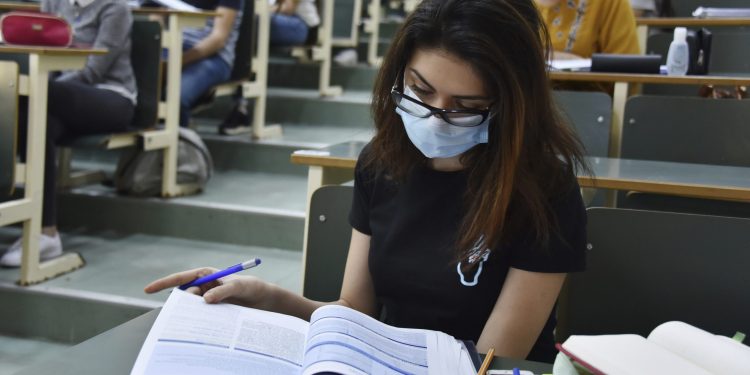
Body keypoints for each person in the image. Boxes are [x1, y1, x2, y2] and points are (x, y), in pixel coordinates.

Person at [146, 0, 589, 363]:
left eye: (464, 105)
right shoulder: (382, 163)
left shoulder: (543, 189)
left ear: (509, 106)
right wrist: (264, 297)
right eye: (420, 89)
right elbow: (354, 313)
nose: (436, 115)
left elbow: (491, 361)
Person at [0, 0, 137, 267]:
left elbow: (93, 71)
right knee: (38, 123)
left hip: (112, 97)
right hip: (60, 96)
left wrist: (39, 89)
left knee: (29, 97)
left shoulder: (116, 6)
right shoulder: (54, 1)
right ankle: (46, 233)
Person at [217, 0, 321, 135]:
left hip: (300, 24)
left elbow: (287, 8)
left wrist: (261, 9)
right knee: (240, 19)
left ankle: (241, 107)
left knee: (249, 22)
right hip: (271, 16)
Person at [177, 0, 242, 128]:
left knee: (176, 98)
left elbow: (218, 39)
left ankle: (181, 144)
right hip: (175, 49)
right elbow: (156, 18)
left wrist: (178, 61)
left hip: (214, 57)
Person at [536, 0, 639, 59]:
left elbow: (627, 69)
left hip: (587, 93)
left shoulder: (610, 3)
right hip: (527, 93)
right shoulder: (521, 6)